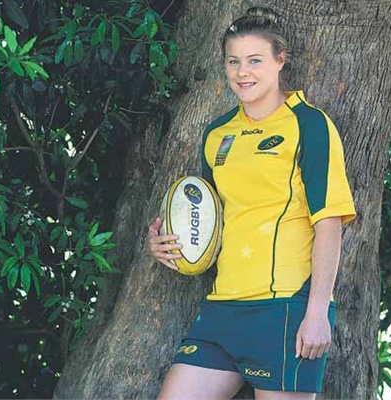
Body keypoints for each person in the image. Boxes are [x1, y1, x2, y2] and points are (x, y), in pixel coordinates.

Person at [146, 7, 357, 400]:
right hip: (222, 307)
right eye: (234, 61)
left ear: (280, 60)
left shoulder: (309, 125)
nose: (242, 72)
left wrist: (317, 313)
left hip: (286, 310)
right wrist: (166, 244)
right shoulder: (217, 133)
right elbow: (208, 219)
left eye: (255, 60)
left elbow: (329, 222)